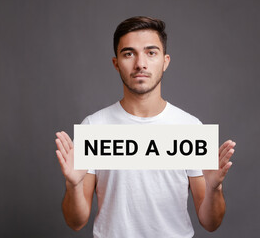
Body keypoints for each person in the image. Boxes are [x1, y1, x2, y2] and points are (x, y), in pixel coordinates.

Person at [55, 16, 236, 238]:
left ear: (165, 61)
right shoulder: (94, 127)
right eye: (129, 53)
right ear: (116, 63)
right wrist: (74, 186)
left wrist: (215, 188)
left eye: (151, 53)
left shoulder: (191, 128)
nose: (140, 63)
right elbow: (76, 222)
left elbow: (210, 222)